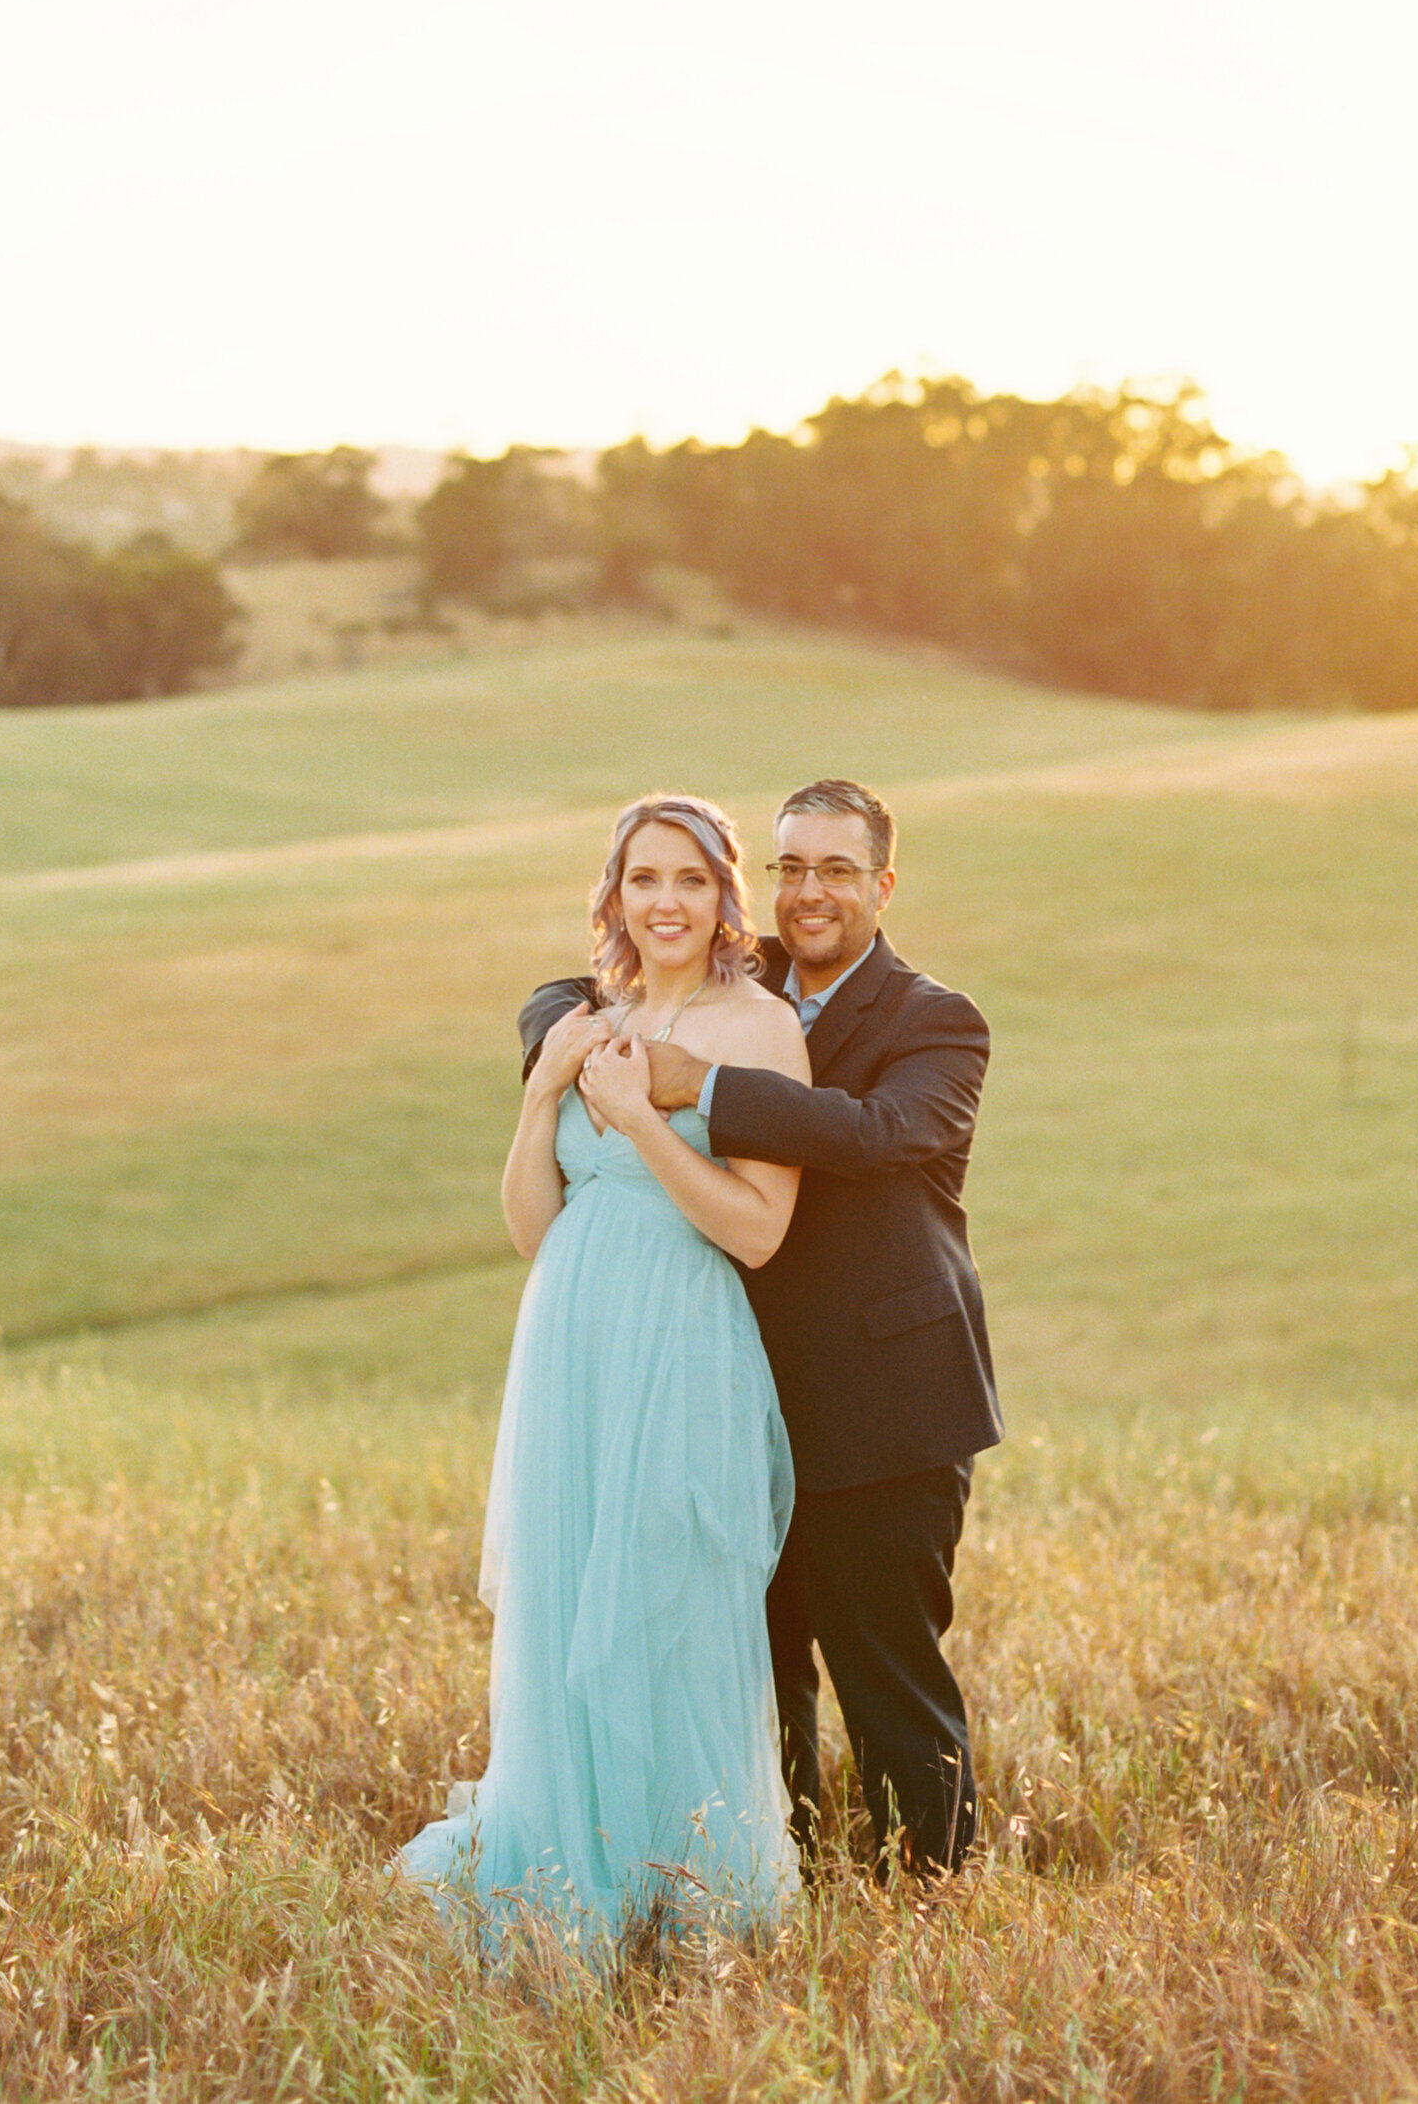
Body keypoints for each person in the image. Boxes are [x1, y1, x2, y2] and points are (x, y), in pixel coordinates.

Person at [519, 776, 999, 1880]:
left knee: (888, 1676)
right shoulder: (746, 981)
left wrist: (704, 1086)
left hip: (886, 1413)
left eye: (837, 869)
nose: (810, 890)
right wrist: (573, 1040)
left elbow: (882, 1132)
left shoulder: (937, 1020)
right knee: (744, 1668)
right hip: (733, 1400)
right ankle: (760, 1882)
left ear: (882, 884)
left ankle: (926, 1903)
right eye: (790, 866)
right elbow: (565, 989)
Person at [401, 793, 812, 1957]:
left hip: (679, 1339)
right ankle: (564, 1867)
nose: (665, 902)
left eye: (688, 879)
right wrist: (544, 1098)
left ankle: (681, 1887)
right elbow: (535, 1226)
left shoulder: (759, 1029)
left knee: (670, 1599)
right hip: (569, 1336)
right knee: (565, 1591)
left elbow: (756, 1229)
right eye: (643, 880)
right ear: (614, 895)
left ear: (725, 895)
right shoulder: (592, 1016)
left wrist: (637, 1120)